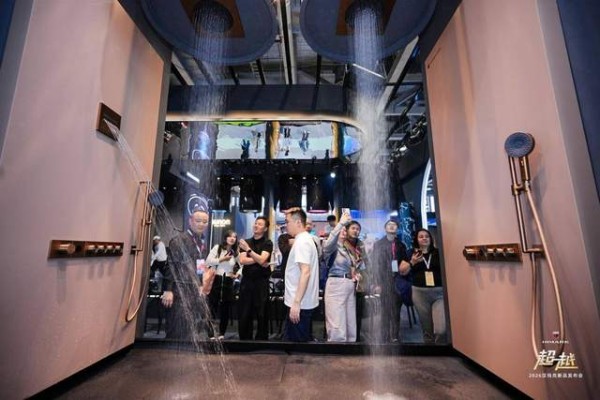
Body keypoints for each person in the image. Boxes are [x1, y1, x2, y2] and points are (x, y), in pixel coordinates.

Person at [162, 208, 210, 340]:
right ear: (190, 221)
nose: (201, 224)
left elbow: (200, 266)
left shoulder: (201, 242)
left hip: (193, 290)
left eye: (205, 221)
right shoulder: (179, 240)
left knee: (191, 328)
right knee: (176, 326)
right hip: (178, 290)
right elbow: (171, 265)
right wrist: (168, 290)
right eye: (198, 221)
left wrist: (201, 284)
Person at [322, 211, 367, 342]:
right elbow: (329, 242)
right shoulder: (331, 247)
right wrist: (341, 223)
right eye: (341, 229)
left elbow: (357, 266)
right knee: (337, 325)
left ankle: (350, 348)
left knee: (350, 325)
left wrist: (357, 275)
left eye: (343, 230)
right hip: (336, 283)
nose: (342, 232)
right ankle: (337, 350)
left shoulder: (349, 249)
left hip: (349, 284)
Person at [401, 229, 446, 344]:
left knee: (441, 329)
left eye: (427, 236)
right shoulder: (410, 253)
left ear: (431, 239)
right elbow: (402, 271)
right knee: (427, 329)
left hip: (439, 293)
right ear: (416, 239)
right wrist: (412, 262)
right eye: (421, 236)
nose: (424, 238)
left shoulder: (438, 253)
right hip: (419, 293)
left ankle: (440, 347)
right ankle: (430, 350)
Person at [371, 220, 411, 343]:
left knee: (396, 309)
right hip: (383, 280)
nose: (392, 226)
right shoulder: (378, 244)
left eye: (394, 225)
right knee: (385, 310)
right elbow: (375, 265)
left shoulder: (401, 245)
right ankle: (384, 336)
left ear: (397, 228)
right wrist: (377, 283)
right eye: (389, 225)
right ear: (385, 228)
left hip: (397, 280)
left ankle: (395, 335)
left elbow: (405, 262)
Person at [283, 208, 320, 342]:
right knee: (298, 343)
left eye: (287, 222)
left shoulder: (302, 242)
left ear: (298, 222)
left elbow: (305, 272)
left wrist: (296, 303)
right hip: (302, 302)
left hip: (299, 304)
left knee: (297, 346)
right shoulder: (305, 239)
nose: (286, 225)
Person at [237, 217, 273, 340]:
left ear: (265, 228)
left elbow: (263, 259)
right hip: (247, 280)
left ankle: (261, 339)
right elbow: (242, 260)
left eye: (260, 224)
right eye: (256, 223)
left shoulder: (267, 243)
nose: (256, 225)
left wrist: (249, 250)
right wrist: (259, 260)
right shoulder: (245, 241)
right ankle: (245, 339)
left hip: (261, 281)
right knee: (245, 311)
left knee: (262, 312)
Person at [205, 230, 240, 340]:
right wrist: (222, 259)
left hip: (228, 281)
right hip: (216, 279)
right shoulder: (218, 248)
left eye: (234, 237)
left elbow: (242, 265)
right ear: (225, 238)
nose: (232, 238)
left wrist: (237, 274)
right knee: (212, 308)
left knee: (225, 309)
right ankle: (210, 334)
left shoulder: (235, 252)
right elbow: (208, 261)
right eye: (230, 236)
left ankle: (222, 334)